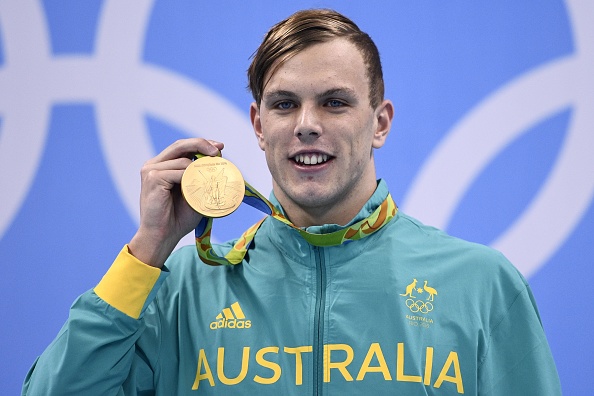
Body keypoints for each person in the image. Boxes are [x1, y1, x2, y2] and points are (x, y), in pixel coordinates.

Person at [22, 8, 561, 395]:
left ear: (380, 123)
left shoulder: (480, 284)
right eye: (284, 104)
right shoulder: (180, 288)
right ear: (259, 125)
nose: (307, 125)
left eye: (334, 102)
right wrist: (147, 251)